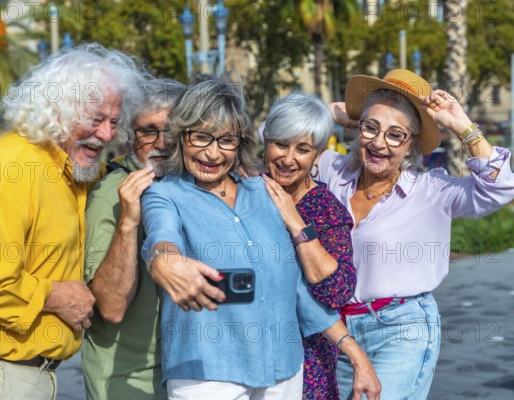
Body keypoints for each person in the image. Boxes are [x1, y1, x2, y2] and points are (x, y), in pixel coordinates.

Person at [140, 76, 378, 400]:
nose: (212, 153)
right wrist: (164, 259)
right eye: (201, 137)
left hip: (284, 371)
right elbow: (161, 236)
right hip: (208, 374)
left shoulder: (264, 192)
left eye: (225, 140)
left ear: (240, 143)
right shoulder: (165, 195)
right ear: (181, 136)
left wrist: (355, 352)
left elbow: (293, 287)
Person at [318, 69, 514, 400]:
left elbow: (501, 187)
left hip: (401, 328)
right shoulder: (334, 171)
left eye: (396, 134)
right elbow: (275, 137)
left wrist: (462, 126)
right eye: (372, 127)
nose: (380, 143)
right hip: (337, 332)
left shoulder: (432, 190)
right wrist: (332, 114)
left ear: (411, 143)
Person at [0, 43, 147, 399]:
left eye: (113, 122)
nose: (107, 135)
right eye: (95, 119)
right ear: (57, 109)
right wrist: (53, 296)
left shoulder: (66, 169)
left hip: (27, 375)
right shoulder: (12, 166)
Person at [260, 92, 380, 400]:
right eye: (281, 144)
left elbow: (336, 292)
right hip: (247, 348)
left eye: (302, 149)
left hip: (307, 358)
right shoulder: (247, 192)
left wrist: (295, 221)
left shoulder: (326, 210)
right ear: (266, 142)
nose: (288, 159)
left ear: (318, 155)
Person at [82, 79, 185, 400]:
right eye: (147, 131)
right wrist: (129, 224)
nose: (161, 142)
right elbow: (110, 308)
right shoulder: (112, 194)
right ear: (129, 136)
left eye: (171, 130)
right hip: (128, 379)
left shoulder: (189, 185)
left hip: (186, 374)